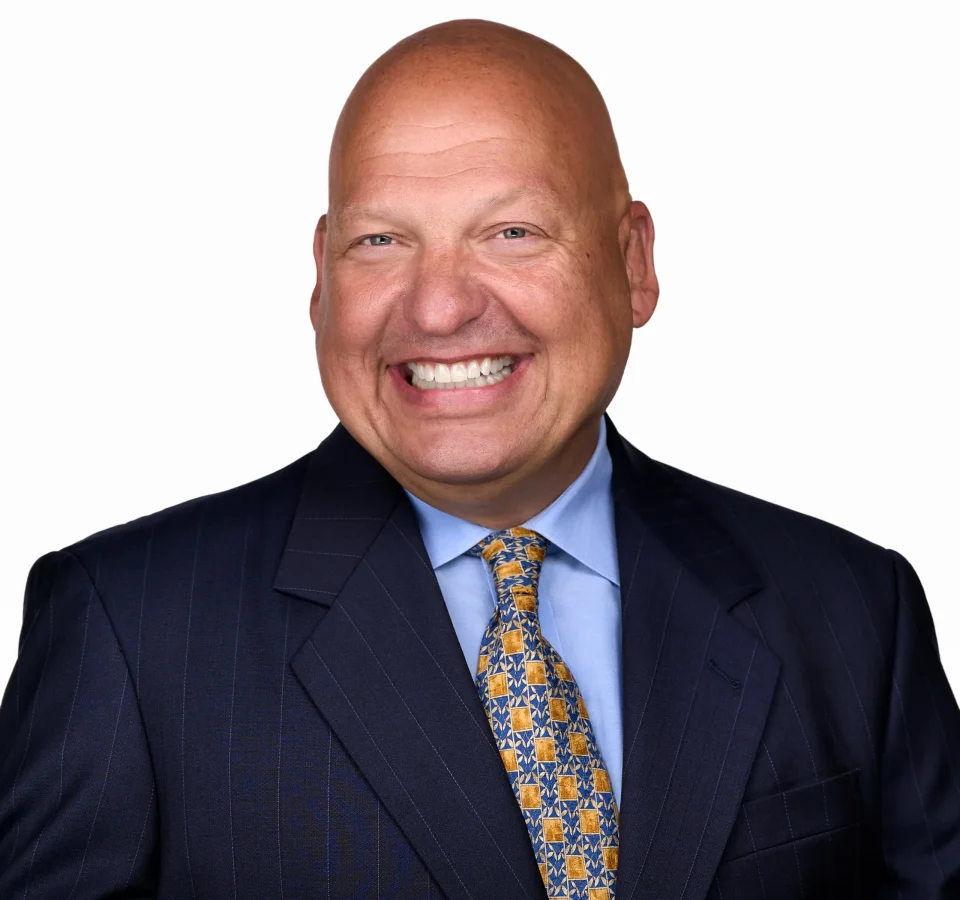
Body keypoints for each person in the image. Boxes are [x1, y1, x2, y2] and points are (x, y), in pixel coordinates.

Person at [1, 17, 958, 900]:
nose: (440, 307)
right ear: (319, 280)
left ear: (634, 263)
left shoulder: (851, 612)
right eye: (381, 241)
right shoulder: (127, 630)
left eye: (511, 233)